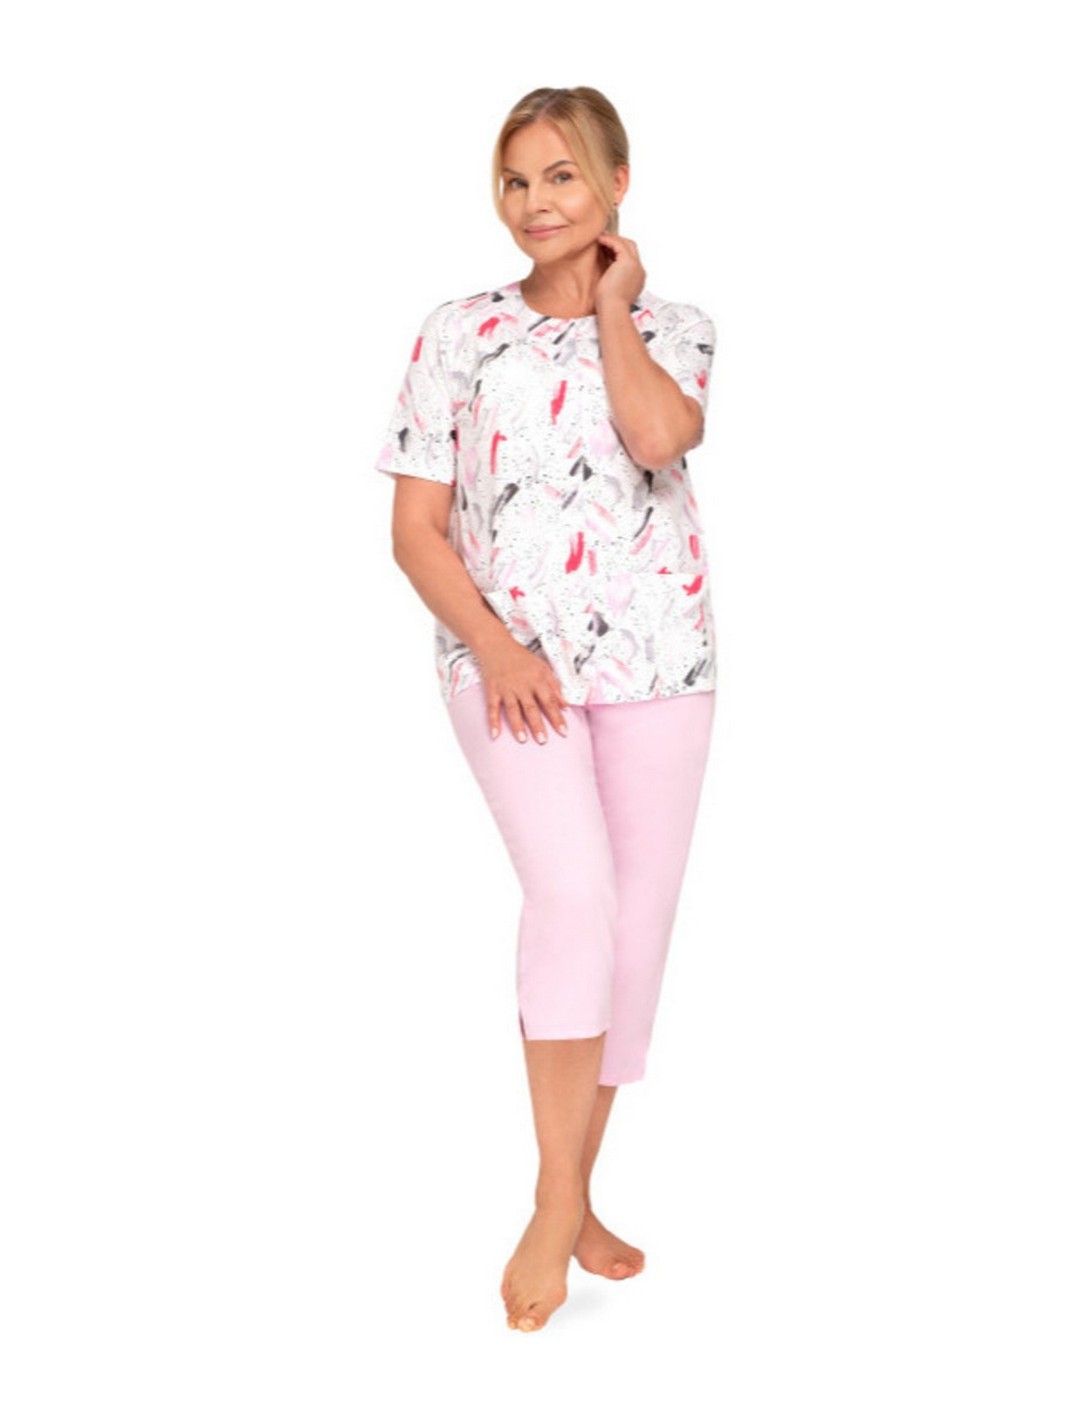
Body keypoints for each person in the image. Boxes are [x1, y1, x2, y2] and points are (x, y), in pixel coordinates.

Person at [373, 86, 719, 1334]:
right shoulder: (456, 333)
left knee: (634, 929)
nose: (534, 202)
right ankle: (553, 1206)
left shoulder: (675, 328)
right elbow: (414, 529)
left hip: (661, 663)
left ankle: (571, 1197)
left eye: (561, 176)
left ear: (616, 184)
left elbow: (657, 437)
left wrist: (613, 307)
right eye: (515, 180)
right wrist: (495, 645)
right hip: (507, 666)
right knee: (572, 897)